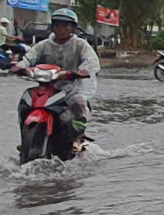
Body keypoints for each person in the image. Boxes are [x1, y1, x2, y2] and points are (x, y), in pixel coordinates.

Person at [15, 7, 100, 137]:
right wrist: (20, 66)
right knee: (24, 103)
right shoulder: (43, 45)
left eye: (65, 25)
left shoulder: (80, 44)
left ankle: (77, 138)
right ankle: (25, 137)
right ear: (52, 27)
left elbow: (91, 61)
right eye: (57, 25)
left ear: (73, 28)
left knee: (80, 103)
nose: (61, 29)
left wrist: (82, 71)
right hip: (47, 87)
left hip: (71, 88)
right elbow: (29, 57)